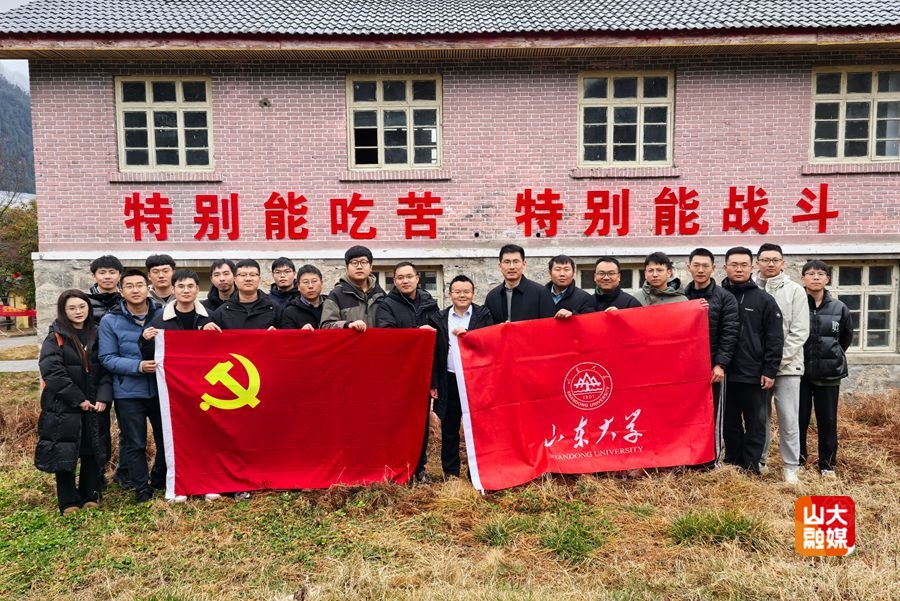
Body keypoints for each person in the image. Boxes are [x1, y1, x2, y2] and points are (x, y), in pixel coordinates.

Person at [140, 269, 216, 502]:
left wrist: (214, 333)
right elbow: (151, 354)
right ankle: (180, 484)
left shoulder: (210, 316)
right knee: (178, 438)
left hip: (206, 389)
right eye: (181, 286)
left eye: (190, 286)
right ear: (173, 289)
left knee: (207, 437)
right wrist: (145, 339)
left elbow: (222, 351)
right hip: (176, 392)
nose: (186, 290)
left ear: (197, 289)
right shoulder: (159, 319)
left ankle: (208, 482)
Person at [36, 290, 113, 515]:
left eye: (82, 307)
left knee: (92, 449)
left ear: (88, 307)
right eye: (72, 308)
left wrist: (103, 397)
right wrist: (78, 399)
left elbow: (107, 368)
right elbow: (52, 371)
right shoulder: (56, 336)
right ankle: (67, 500)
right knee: (65, 450)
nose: (78, 312)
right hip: (63, 406)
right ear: (63, 311)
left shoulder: (98, 333)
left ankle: (90, 494)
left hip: (95, 404)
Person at [98, 269, 164, 503]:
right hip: (128, 392)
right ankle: (141, 487)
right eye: (129, 286)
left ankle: (160, 479)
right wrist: (138, 366)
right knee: (135, 443)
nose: (135, 290)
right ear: (121, 290)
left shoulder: (162, 314)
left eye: (140, 285)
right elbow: (107, 358)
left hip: (161, 390)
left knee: (165, 439)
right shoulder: (110, 320)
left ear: (148, 288)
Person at [720, 247, 784, 474]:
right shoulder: (718, 296)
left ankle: (751, 465)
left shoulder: (764, 299)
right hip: (724, 373)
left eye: (744, 265)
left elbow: (775, 338)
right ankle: (733, 463)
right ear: (725, 267)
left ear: (752, 267)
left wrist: (770, 369)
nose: (739, 269)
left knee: (755, 423)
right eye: (734, 265)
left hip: (754, 373)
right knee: (729, 422)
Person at [376, 262, 440, 482]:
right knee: (398, 423)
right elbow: (387, 337)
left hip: (423, 373)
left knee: (420, 423)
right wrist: (417, 333)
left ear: (417, 279)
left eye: (409, 276)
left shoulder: (430, 303)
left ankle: (419, 468)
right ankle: (398, 468)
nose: (405, 281)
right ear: (394, 281)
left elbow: (438, 341)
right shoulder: (386, 305)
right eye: (400, 277)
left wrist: (434, 380)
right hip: (397, 375)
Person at [429, 275, 494, 479]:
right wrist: (434, 383)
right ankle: (451, 473)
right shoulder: (439, 318)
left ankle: (478, 472)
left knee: (478, 426)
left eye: (466, 292)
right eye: (457, 292)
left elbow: (489, 341)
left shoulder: (483, 315)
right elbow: (434, 353)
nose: (462, 295)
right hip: (449, 378)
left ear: (473, 293)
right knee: (449, 427)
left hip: (475, 379)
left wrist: (469, 335)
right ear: (450, 294)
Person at [756, 243, 810, 484]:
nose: (770, 264)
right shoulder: (752, 288)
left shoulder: (795, 291)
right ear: (757, 262)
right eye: (765, 260)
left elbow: (800, 332)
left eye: (775, 260)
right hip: (757, 368)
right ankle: (760, 460)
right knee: (760, 418)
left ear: (782, 263)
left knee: (788, 418)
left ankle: (790, 466)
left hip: (787, 367)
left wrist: (775, 362)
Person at [684, 248, 740, 466]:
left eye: (705, 266)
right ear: (688, 267)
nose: (700, 270)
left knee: (713, 413)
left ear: (713, 269)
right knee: (688, 414)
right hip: (686, 367)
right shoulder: (681, 296)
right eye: (696, 265)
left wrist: (720, 364)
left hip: (712, 367)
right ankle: (688, 457)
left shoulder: (725, 298)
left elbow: (730, 332)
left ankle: (711, 460)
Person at [799, 260, 853, 478]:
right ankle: (798, 461)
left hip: (829, 374)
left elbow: (846, 337)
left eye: (820, 274)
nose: (815, 277)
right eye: (811, 274)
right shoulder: (797, 303)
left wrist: (831, 356)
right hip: (800, 373)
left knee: (828, 422)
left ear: (827, 279)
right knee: (799, 420)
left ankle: (827, 465)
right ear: (803, 278)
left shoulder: (839, 307)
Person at [484, 244, 555, 323]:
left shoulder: (541, 293)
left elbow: (549, 325)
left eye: (516, 262)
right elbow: (487, 326)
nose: (511, 267)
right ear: (500, 266)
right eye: (507, 262)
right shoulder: (492, 297)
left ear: (524, 264)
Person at [320, 245, 386, 330]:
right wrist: (347, 325)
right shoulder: (336, 295)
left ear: (371, 267)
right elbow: (326, 326)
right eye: (354, 263)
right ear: (347, 268)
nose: (359, 267)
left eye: (363, 262)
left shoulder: (380, 294)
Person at [205, 260, 282, 331]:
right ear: (235, 279)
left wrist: (277, 334)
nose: (248, 279)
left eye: (253, 275)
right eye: (243, 275)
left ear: (259, 279)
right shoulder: (222, 312)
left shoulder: (275, 308)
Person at [282, 264, 326, 330]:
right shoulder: (290, 312)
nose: (310, 286)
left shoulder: (331, 305)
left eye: (314, 281)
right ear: (298, 286)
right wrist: (302, 333)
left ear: (321, 283)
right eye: (306, 282)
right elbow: (289, 336)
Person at [87, 255, 123, 324]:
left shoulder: (127, 299)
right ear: (94, 276)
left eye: (112, 272)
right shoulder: (85, 300)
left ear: (120, 276)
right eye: (102, 273)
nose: (107, 277)